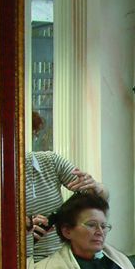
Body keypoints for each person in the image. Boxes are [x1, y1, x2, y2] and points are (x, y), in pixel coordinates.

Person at [25, 112, 109, 261]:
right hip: (16, 260)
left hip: (58, 258)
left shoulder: (50, 161)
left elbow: (100, 196)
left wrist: (96, 188)